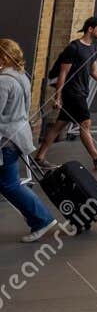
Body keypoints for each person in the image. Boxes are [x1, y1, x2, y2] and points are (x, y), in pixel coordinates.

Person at [33, 17, 97, 170]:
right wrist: (58, 97)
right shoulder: (74, 48)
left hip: (82, 91)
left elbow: (94, 71)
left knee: (59, 126)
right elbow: (63, 73)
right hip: (72, 92)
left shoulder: (93, 48)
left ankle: (39, 157)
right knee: (85, 123)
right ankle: (96, 157)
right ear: (90, 29)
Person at [0, 39, 57, 243]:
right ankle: (41, 219)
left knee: (9, 185)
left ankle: (42, 220)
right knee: (9, 183)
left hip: (6, 139)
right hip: (18, 135)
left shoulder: (4, 81)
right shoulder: (21, 76)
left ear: (4, 57)